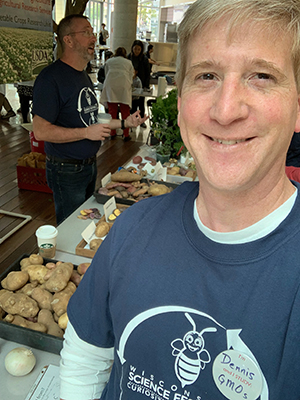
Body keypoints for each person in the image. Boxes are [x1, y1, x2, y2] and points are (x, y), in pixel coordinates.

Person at [60, 1, 300, 399]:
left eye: (261, 76)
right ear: (182, 94)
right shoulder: (132, 229)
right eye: (206, 75)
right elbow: (87, 356)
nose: (225, 111)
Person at [32, 14, 147, 225]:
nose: (93, 38)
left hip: (88, 166)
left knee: (85, 221)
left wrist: (125, 123)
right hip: (66, 170)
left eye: (93, 32)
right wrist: (86, 133)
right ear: (68, 39)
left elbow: (92, 120)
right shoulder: (51, 78)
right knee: (72, 225)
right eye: (86, 33)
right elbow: (40, 131)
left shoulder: (81, 74)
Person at [100, 47, 134, 141]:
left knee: (112, 111)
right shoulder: (128, 62)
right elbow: (131, 77)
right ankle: (126, 135)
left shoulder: (109, 61)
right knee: (125, 112)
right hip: (123, 87)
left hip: (111, 86)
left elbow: (106, 74)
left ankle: (112, 133)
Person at [128, 40, 150, 128]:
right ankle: (133, 120)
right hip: (131, 83)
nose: (136, 51)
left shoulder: (144, 59)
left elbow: (147, 73)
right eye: (135, 49)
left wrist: (146, 86)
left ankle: (141, 121)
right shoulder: (129, 57)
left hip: (141, 83)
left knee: (141, 103)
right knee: (132, 103)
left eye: (138, 49)